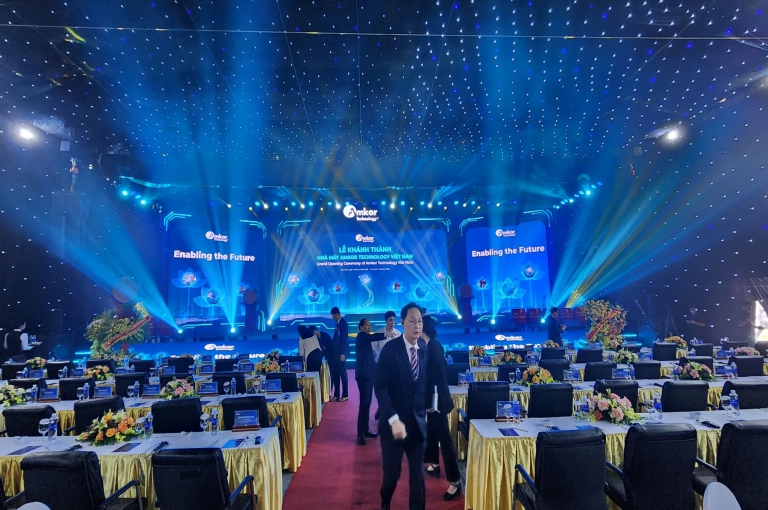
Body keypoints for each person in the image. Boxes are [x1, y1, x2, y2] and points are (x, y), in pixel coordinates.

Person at [374, 303, 429, 510]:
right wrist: (393, 419)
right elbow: (380, 387)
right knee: (392, 475)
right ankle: (385, 500)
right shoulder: (390, 350)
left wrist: (430, 405)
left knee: (418, 477)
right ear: (403, 322)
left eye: (420, 321)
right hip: (393, 426)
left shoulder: (423, 348)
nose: (417, 325)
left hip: (416, 425)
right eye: (412, 321)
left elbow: (425, 382)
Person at [421, 314, 462, 501]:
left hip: (437, 400)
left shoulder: (433, 347)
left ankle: (455, 481)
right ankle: (434, 463)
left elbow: (432, 378)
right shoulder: (432, 345)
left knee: (445, 441)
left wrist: (428, 403)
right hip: (435, 399)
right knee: (432, 431)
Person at [355, 318, 386, 445]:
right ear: (361, 327)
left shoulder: (365, 338)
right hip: (363, 376)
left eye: (369, 324)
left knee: (367, 404)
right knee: (364, 405)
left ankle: (365, 430)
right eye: (366, 325)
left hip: (369, 375)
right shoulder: (361, 336)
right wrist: (386, 334)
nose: (369, 327)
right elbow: (373, 337)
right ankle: (360, 434)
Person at [330, 307, 349, 402]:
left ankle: (345, 394)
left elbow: (344, 339)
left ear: (337, 314)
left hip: (341, 353)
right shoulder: (338, 323)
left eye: (333, 315)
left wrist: (343, 353)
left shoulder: (343, 324)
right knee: (335, 374)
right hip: (335, 353)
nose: (332, 317)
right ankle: (336, 395)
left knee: (343, 374)